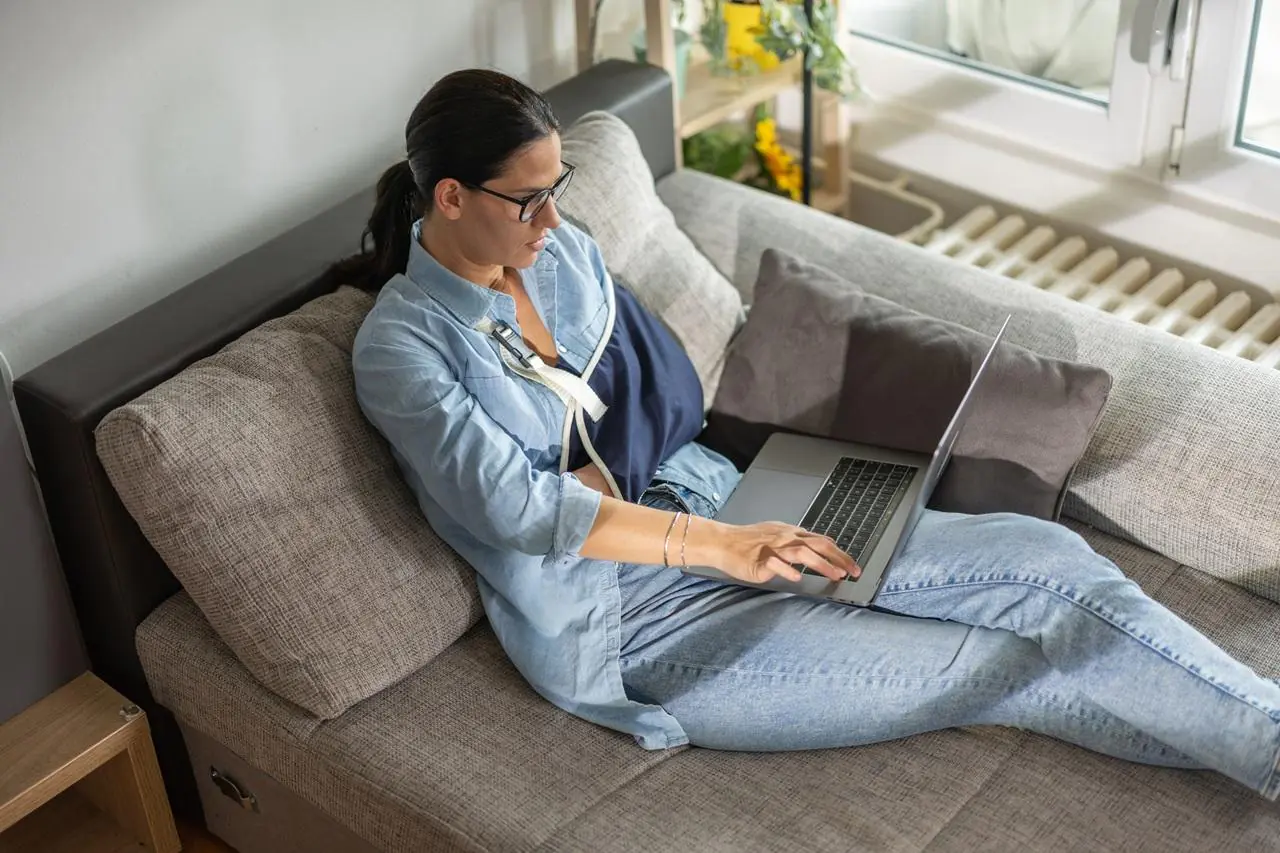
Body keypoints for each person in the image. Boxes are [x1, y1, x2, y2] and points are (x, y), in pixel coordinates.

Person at [346, 68, 1280, 800]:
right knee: (1003, 666)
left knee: (1045, 560)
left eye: (561, 188)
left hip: (721, 496)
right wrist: (722, 548)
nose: (553, 219)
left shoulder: (566, 253)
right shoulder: (401, 348)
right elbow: (518, 507)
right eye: (527, 201)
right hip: (630, 617)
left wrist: (729, 516)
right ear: (453, 197)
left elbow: (637, 407)